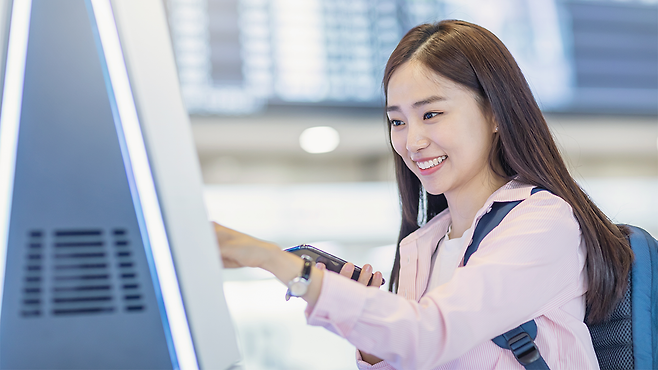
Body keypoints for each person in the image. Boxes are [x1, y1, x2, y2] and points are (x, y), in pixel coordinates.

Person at [214, 20, 634, 369]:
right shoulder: (426, 244)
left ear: (494, 114)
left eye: (431, 114)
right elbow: (420, 345)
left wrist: (270, 259)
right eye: (397, 121)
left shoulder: (544, 222)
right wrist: (371, 343)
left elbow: (430, 333)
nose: (412, 141)